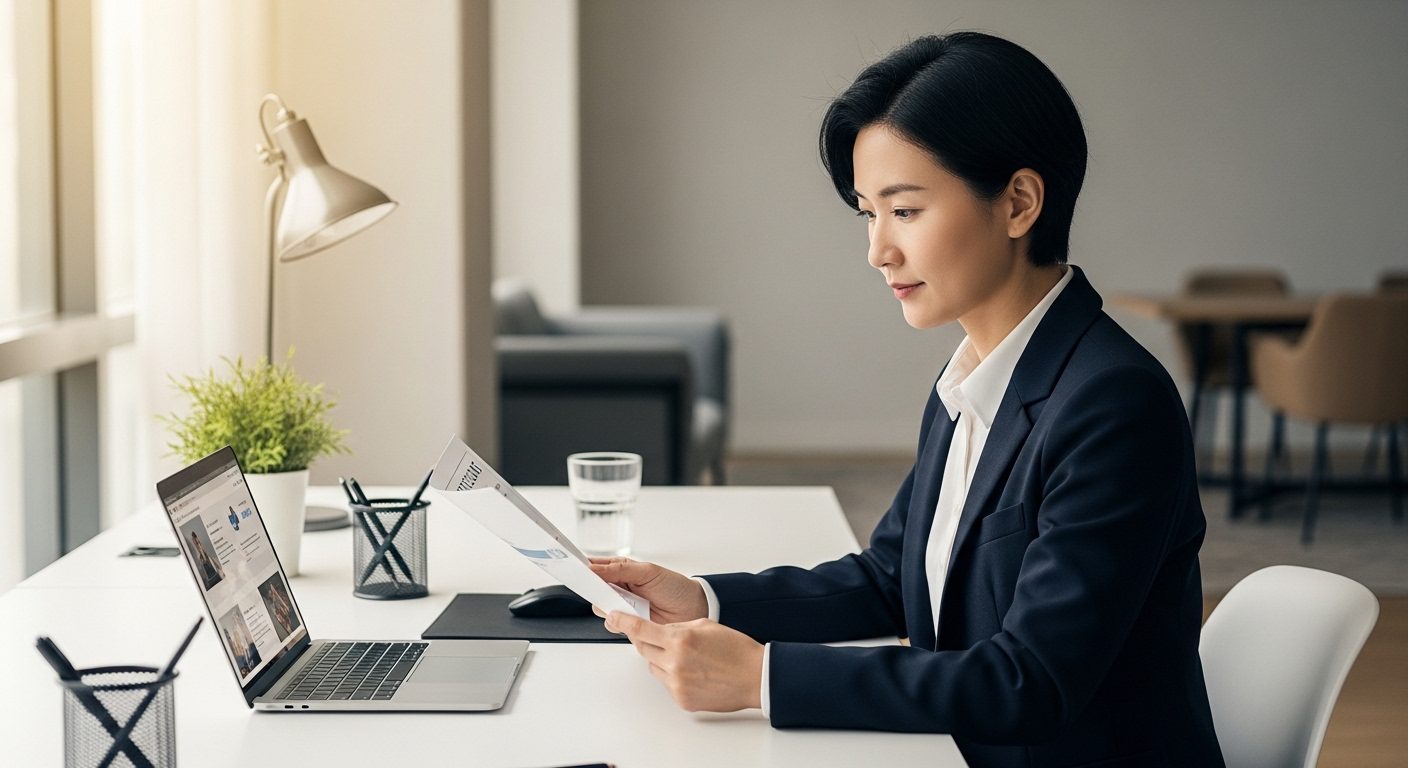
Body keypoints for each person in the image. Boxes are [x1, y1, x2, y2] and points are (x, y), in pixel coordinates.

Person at [590, 32, 1225, 768]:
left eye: (907, 211)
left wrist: (762, 678)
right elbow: (890, 576)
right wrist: (703, 598)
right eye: (868, 213)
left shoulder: (1114, 404)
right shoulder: (972, 379)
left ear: (1019, 203)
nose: (878, 251)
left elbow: (1030, 683)